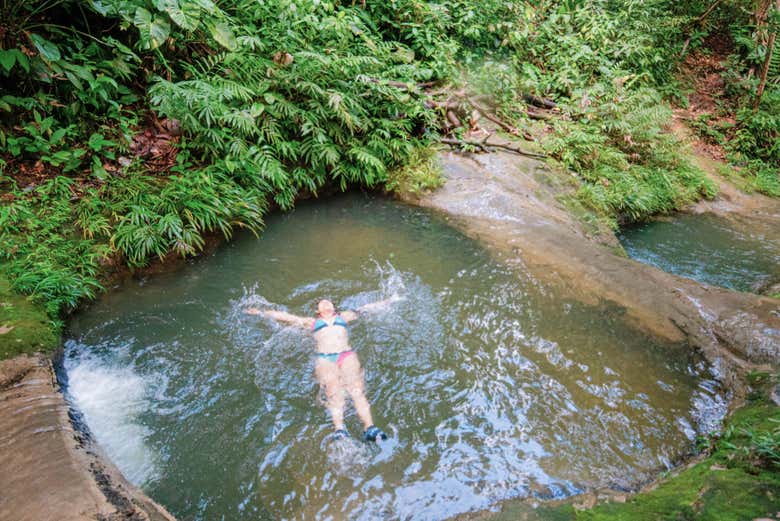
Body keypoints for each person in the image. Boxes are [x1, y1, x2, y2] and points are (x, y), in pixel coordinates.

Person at [245, 297, 398, 442]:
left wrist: (389, 301)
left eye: (328, 303)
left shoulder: (344, 317)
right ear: (317, 311)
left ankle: (370, 428)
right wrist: (261, 313)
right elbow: (286, 317)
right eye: (322, 303)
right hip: (325, 358)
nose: (326, 304)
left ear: (334, 307)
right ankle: (339, 430)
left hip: (346, 355)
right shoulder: (312, 322)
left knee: (356, 391)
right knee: (334, 392)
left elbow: (367, 309)